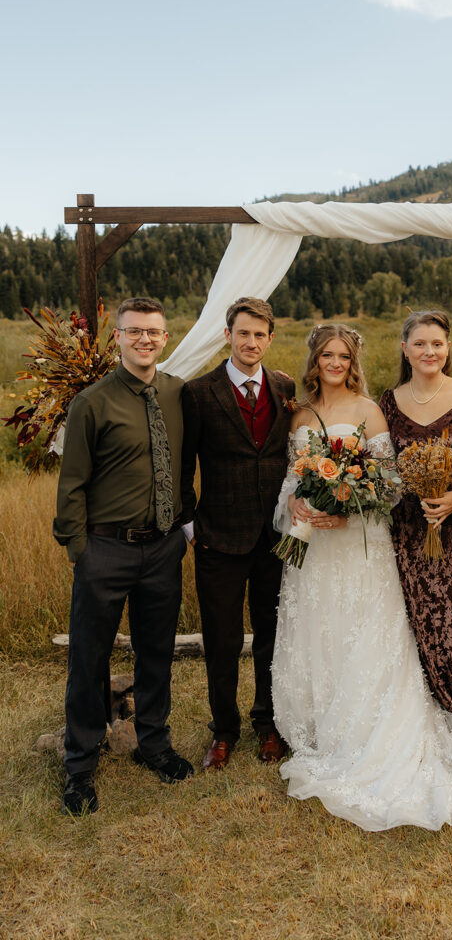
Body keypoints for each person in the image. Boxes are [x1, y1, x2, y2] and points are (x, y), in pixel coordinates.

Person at [271, 324, 452, 831]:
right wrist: (298, 501)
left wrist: (348, 509)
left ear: (355, 361)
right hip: (313, 546)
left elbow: (387, 485)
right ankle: (326, 729)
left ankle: (373, 731)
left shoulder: (371, 411)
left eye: (344, 355)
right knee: (318, 633)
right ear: (314, 360)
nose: (335, 362)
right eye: (327, 354)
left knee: (367, 635)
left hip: (359, 545)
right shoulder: (299, 414)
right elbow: (292, 475)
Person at [54, 297, 193, 816]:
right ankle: (80, 766)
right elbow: (72, 484)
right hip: (106, 549)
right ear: (118, 337)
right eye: (135, 332)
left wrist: (182, 526)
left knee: (156, 652)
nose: (145, 340)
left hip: (163, 547)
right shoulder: (92, 402)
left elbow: (184, 464)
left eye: (154, 333)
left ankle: (153, 745)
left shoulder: (179, 393)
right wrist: (80, 551)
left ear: (164, 336)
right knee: (88, 658)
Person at [181, 297, 295, 770]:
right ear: (228, 335)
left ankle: (268, 724)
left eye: (260, 335)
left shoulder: (286, 387)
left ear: (270, 339)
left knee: (273, 636)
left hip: (277, 540)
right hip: (218, 540)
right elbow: (183, 465)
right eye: (243, 333)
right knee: (222, 641)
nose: (251, 342)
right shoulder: (198, 392)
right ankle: (223, 731)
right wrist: (192, 529)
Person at [379, 310, 452, 749]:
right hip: (408, 529)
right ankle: (420, 727)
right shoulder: (387, 402)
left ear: (448, 348)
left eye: (438, 344)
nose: (430, 351)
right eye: (421, 343)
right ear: (404, 348)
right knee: (414, 620)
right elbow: (381, 469)